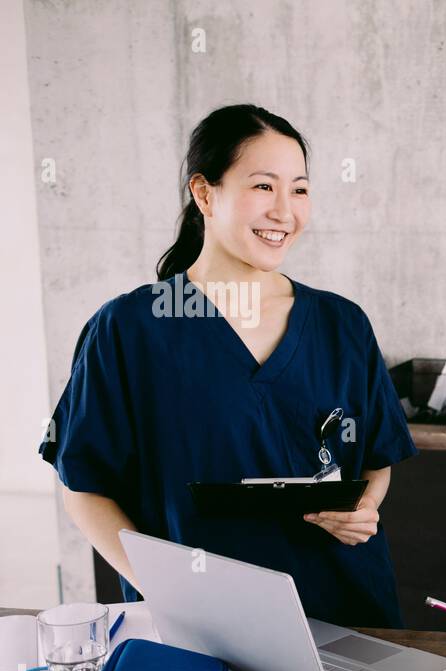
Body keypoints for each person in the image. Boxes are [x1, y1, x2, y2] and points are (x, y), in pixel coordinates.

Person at [39, 104, 416, 628]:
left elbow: (377, 456)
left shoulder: (342, 324)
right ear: (204, 193)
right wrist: (166, 593)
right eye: (263, 187)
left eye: (300, 189)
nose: (286, 211)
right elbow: (82, 487)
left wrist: (365, 506)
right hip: (202, 631)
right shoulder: (130, 329)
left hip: (346, 615)